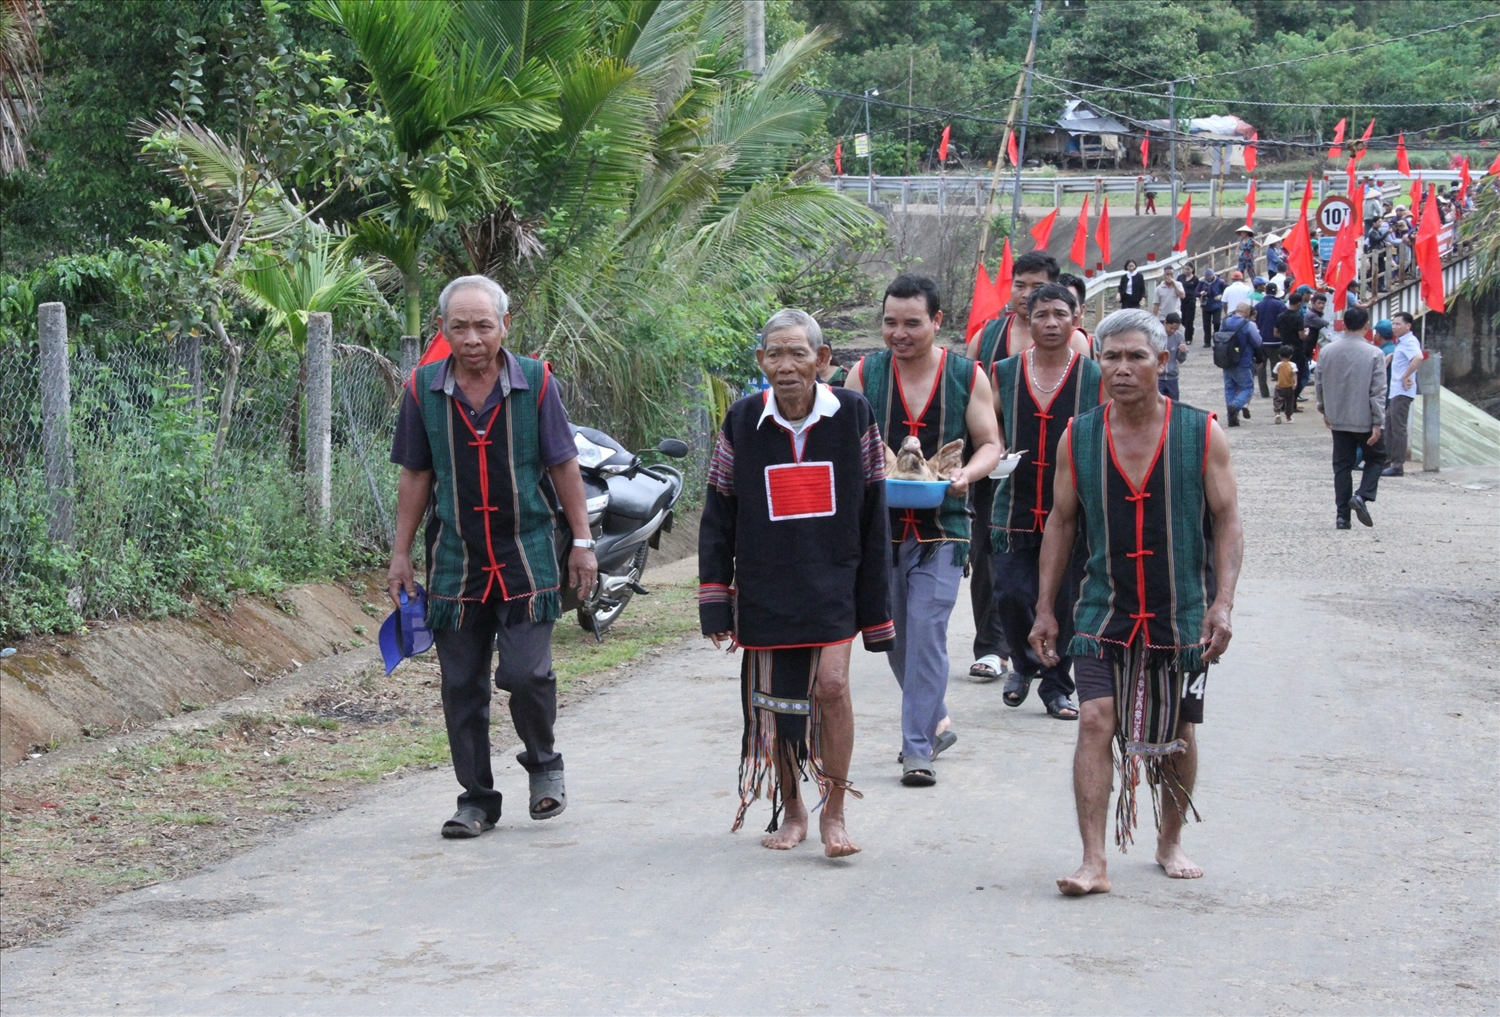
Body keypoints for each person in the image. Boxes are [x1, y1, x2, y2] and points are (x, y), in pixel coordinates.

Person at [1032, 308, 1242, 896]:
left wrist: (1222, 603)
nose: (1122, 369)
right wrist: (1047, 607)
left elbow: (1227, 521)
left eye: (1136, 357)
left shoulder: (1201, 433)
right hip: (1102, 609)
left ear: (1162, 362)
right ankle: (1093, 860)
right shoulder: (1080, 435)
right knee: (1095, 720)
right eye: (1111, 357)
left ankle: (1170, 840)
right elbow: (1061, 522)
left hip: (1182, 613)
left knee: (1178, 730)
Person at [388, 275, 597, 839]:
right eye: (460, 327)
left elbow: (562, 465)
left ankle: (544, 763)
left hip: (527, 552)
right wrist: (401, 553)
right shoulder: (422, 389)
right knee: (461, 685)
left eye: (484, 325)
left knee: (526, 674)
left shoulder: (536, 381)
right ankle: (476, 799)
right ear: (444, 331)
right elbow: (416, 473)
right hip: (455, 557)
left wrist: (581, 542)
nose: (473, 337)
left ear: (505, 325)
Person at [699, 309, 893, 856]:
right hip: (766, 584)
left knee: (831, 688)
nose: (786, 366)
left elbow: (875, 509)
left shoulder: (853, 414)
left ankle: (834, 811)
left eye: (798, 354)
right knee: (777, 704)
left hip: (836, 579)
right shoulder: (741, 422)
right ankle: (793, 808)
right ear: (760, 361)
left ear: (823, 361)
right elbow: (719, 513)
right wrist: (716, 599)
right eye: (775, 354)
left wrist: (876, 608)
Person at [848, 275, 1002, 786]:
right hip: (878, 529)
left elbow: (989, 444)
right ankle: (934, 720)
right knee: (892, 635)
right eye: (890, 322)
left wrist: (966, 475)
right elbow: (843, 443)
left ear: (937, 321)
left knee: (928, 633)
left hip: (945, 527)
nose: (900, 333)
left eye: (912, 323)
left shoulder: (966, 374)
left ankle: (916, 748)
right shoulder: (863, 375)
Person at [965, 253, 1085, 685]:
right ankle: (1001, 651)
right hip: (1006, 486)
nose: (1027, 295)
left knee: (1063, 587)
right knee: (1001, 578)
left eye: (1040, 291)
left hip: (1067, 494)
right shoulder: (991, 345)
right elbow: (980, 410)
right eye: (1021, 286)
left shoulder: (1087, 361)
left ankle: (1055, 681)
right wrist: (989, 451)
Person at [988, 284, 1104, 723]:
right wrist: (995, 449)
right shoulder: (1004, 371)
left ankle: (1057, 687)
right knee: (1012, 593)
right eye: (1041, 315)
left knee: (1066, 600)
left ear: (1076, 318)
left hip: (1074, 509)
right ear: (1026, 319)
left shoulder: (1095, 375)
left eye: (1060, 314)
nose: (1051, 323)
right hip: (1015, 503)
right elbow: (987, 423)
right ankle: (1023, 662)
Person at [1315, 306, 1387, 529]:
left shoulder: (1327, 351)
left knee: (1342, 466)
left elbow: (1319, 382)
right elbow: (1378, 391)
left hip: (1338, 416)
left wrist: (1324, 409)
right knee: (1376, 458)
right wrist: (1378, 422)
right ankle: (1362, 496)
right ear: (1366, 326)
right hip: (1364, 416)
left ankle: (1342, 516)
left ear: (1344, 324)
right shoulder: (1375, 353)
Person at [1383, 311, 1422, 477]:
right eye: (1394, 323)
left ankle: (1397, 465)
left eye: (1398, 324)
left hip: (1402, 391)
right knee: (1389, 425)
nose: (1395, 327)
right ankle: (1387, 460)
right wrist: (1392, 355)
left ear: (1408, 326)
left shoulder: (1409, 342)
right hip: (1396, 391)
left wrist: (1406, 376)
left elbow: (1418, 357)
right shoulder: (1401, 343)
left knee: (1398, 428)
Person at [1217, 300, 1262, 426]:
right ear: (1247, 312)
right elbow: (1257, 342)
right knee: (1247, 387)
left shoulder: (1224, 322)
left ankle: (1232, 418)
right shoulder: (1248, 325)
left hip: (1225, 360)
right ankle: (1235, 406)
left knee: (1230, 388)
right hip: (1243, 361)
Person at [1275, 291, 1308, 414]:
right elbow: (1301, 335)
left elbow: (1275, 333)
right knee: (1296, 376)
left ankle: (1282, 402)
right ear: (1299, 303)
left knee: (1284, 377)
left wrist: (1285, 338)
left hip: (1284, 348)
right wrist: (1306, 335)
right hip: (1297, 350)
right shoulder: (1298, 317)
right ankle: (1291, 403)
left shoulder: (1281, 316)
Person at [1254, 282, 1286, 399]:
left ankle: (1264, 392)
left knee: (1261, 367)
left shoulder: (1258, 306)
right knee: (1277, 366)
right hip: (1276, 341)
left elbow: (1255, 322)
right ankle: (1279, 390)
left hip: (1261, 339)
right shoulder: (1280, 305)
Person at [1159, 312, 1188, 399]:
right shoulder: (1155, 335)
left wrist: (1183, 352)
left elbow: (1181, 359)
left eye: (1175, 329)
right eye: (1171, 328)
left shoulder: (1179, 336)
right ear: (1165, 323)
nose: (1172, 331)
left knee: (1174, 405)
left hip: (1172, 378)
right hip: (1158, 377)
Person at [1199, 268, 1225, 347]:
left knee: (1216, 322)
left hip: (1217, 305)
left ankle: (1217, 339)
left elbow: (1227, 290)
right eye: (1208, 277)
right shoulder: (1202, 282)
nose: (1209, 278)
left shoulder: (1220, 282)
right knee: (1206, 325)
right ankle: (1207, 342)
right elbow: (1196, 292)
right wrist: (1201, 293)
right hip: (1206, 306)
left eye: (1210, 276)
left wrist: (1221, 296)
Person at [1273, 346, 1298, 424]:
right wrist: (1295, 383)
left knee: (1277, 400)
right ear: (1291, 356)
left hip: (1280, 385)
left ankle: (1277, 413)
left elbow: (1275, 373)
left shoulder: (1278, 364)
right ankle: (1288, 417)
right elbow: (1294, 374)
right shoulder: (1292, 364)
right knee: (1289, 402)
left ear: (1279, 356)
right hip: (1289, 386)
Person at [1179, 263, 1200, 347]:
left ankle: (1188, 338)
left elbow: (1197, 289)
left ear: (1192, 269)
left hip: (1191, 301)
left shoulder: (1195, 279)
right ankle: (1191, 330)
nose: (1186, 271)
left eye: (1188, 269)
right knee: (1183, 320)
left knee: (1189, 320)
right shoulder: (1180, 277)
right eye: (1185, 269)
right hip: (1181, 301)